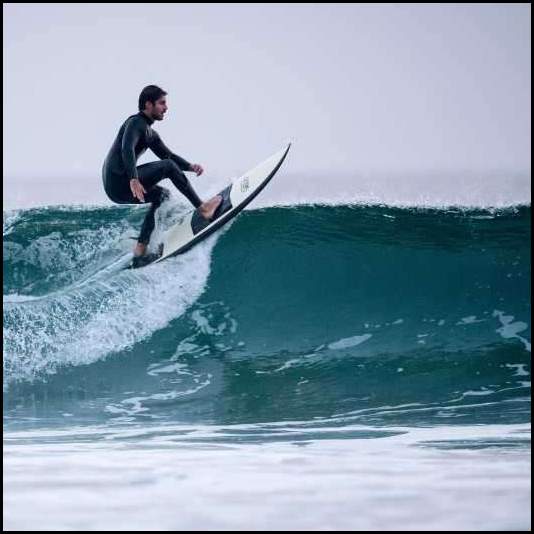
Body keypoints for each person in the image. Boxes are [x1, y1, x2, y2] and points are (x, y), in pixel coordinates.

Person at [102, 84, 222, 267]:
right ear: (148, 104)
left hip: (117, 188)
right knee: (167, 167)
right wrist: (134, 179)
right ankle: (204, 209)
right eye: (162, 103)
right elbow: (127, 148)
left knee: (162, 195)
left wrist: (190, 166)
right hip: (120, 180)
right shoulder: (135, 123)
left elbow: (169, 156)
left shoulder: (150, 134)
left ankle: (141, 248)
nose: (166, 108)